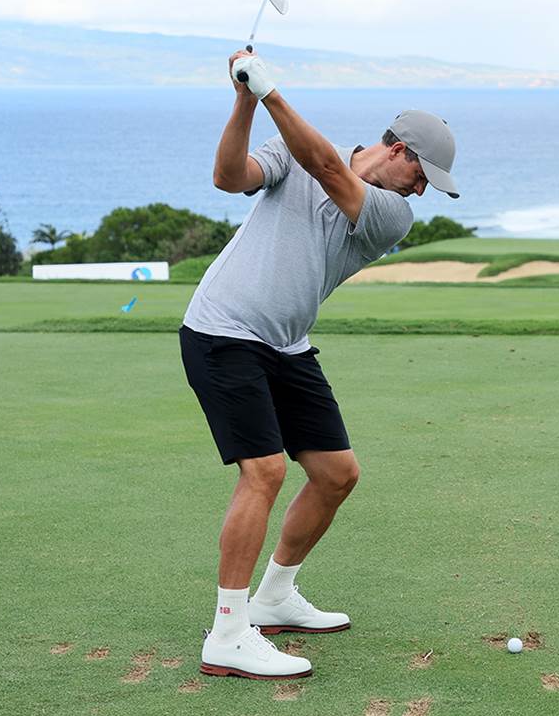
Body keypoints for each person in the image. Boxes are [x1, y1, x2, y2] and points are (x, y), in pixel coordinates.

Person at [179, 51, 458, 680]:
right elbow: (229, 177)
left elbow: (329, 166)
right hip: (222, 330)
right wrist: (245, 100)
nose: (422, 192)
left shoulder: (392, 215)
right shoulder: (292, 154)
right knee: (265, 473)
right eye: (423, 176)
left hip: (285, 343)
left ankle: (274, 597)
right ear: (399, 151)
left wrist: (270, 89)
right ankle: (228, 633)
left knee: (336, 475)